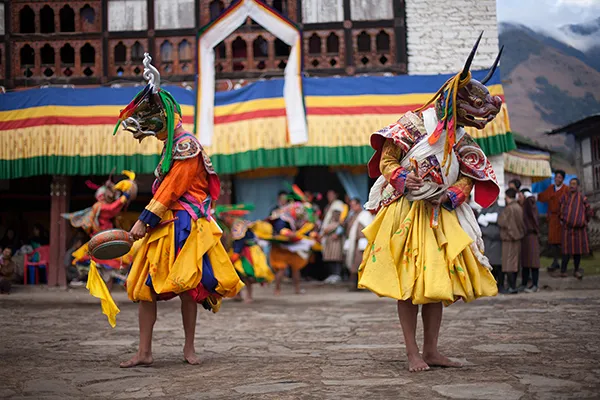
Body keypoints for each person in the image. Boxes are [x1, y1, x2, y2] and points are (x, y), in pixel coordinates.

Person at [359, 34, 502, 372]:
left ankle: (433, 350)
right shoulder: (410, 124)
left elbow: (471, 174)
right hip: (408, 214)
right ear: (454, 100)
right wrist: (399, 177)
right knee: (408, 287)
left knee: (436, 288)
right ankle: (412, 353)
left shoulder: (461, 139)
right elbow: (387, 159)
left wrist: (458, 191)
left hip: (441, 212)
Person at [113, 53, 243, 367]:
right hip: (164, 224)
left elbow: (173, 187)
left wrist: (143, 220)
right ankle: (144, 352)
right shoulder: (171, 145)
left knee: (188, 286)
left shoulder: (186, 145)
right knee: (146, 287)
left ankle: (189, 348)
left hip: (183, 223)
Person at [62, 174, 135, 289]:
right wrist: (124, 197)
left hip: (107, 239)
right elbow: (111, 209)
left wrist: (119, 193)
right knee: (108, 264)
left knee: (110, 267)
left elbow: (114, 208)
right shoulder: (99, 206)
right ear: (102, 195)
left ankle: (107, 293)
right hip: (103, 240)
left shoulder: (102, 205)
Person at [216, 205, 274, 303]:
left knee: (246, 274)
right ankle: (238, 294)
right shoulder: (234, 224)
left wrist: (235, 254)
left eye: (224, 217)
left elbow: (239, 242)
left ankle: (249, 295)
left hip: (248, 252)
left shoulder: (237, 226)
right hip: (240, 250)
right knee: (237, 274)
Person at [263, 201, 315, 295]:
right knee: (282, 268)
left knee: (296, 268)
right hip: (280, 247)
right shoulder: (282, 217)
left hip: (292, 246)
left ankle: (297, 289)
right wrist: (291, 234)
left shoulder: (297, 219)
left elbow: (303, 230)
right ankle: (277, 289)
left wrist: (310, 235)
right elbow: (281, 230)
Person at [559, 178, 593, 279]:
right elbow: (560, 209)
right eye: (570, 184)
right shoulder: (564, 197)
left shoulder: (583, 198)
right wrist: (562, 219)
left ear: (577, 186)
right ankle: (563, 270)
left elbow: (589, 211)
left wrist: (584, 221)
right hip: (567, 229)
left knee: (577, 251)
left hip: (579, 229)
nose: (571, 186)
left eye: (574, 184)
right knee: (566, 251)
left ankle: (576, 270)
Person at [538, 170, 569, 271]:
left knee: (563, 241)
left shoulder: (566, 189)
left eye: (559, 177)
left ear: (563, 179)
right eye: (556, 177)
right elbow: (542, 197)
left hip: (562, 218)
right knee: (553, 242)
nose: (557, 179)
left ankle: (564, 263)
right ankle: (555, 262)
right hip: (552, 218)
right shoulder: (551, 188)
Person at [498, 188, 525, 294]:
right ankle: (512, 286)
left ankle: (511, 286)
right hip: (518, 237)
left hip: (509, 238)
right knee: (514, 263)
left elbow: (502, 221)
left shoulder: (509, 208)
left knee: (508, 264)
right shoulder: (519, 207)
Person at [344, 198, 373, 291]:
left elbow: (369, 228)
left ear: (358, 205)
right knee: (353, 264)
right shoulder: (352, 216)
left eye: (353, 205)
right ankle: (354, 285)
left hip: (362, 244)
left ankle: (363, 286)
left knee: (360, 264)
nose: (352, 207)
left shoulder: (365, 215)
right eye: (351, 205)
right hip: (353, 243)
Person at [320, 190, 348, 284]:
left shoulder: (338, 205)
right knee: (329, 256)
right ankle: (332, 275)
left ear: (336, 195)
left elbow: (340, 221)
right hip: (328, 235)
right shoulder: (328, 206)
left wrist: (336, 232)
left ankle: (337, 275)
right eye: (328, 195)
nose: (330, 197)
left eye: (331, 195)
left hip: (335, 235)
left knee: (336, 256)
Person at [478, 199, 503, 289]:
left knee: (498, 265)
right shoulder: (484, 210)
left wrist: (487, 220)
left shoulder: (500, 209)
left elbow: (500, 222)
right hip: (487, 242)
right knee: (488, 265)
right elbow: (479, 223)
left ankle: (500, 285)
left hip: (497, 242)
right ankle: (490, 286)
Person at [520, 189, 541, 292]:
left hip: (531, 235)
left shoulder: (529, 202)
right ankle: (524, 283)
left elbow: (531, 206)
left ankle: (535, 284)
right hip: (525, 236)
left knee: (533, 262)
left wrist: (528, 197)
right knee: (526, 262)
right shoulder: (524, 205)